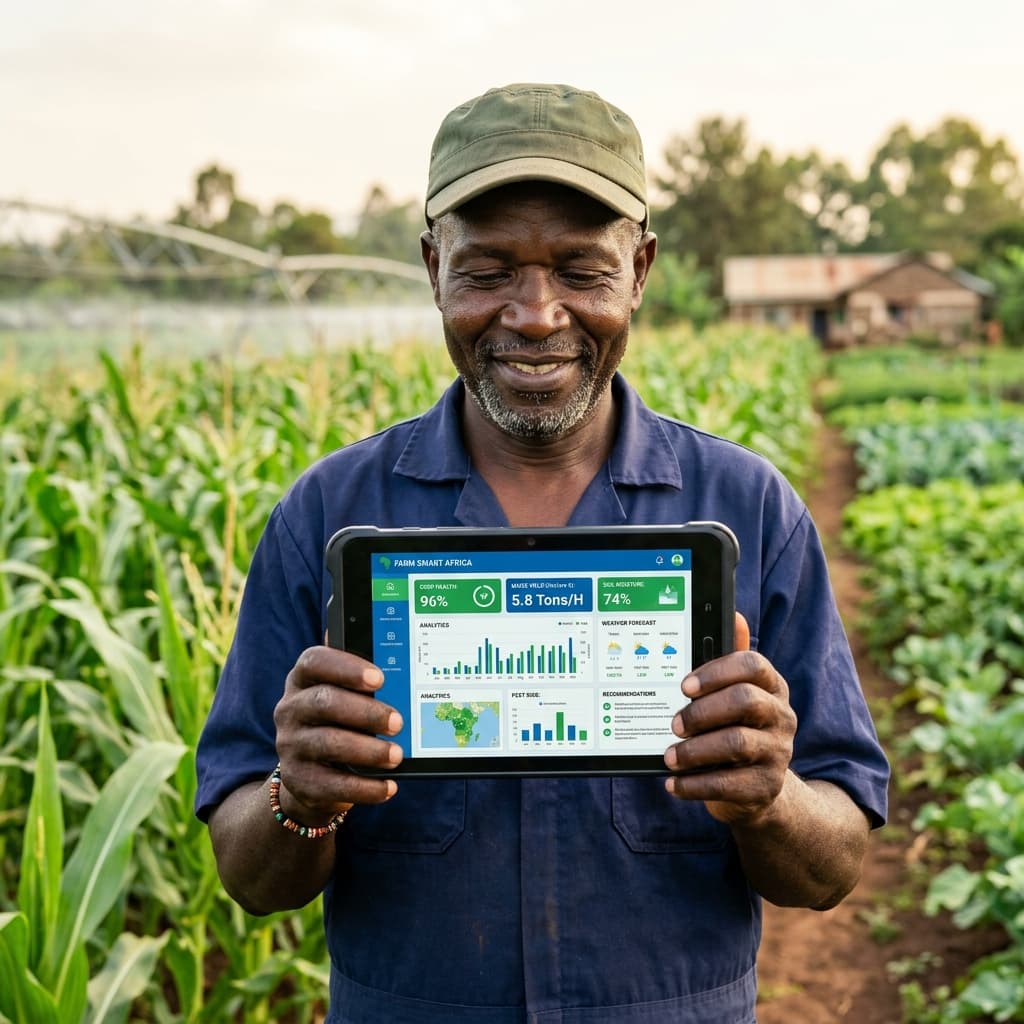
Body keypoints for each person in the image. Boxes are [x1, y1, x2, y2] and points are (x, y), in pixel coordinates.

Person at [195, 83, 889, 1023]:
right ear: (433, 266)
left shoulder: (749, 509)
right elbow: (249, 871)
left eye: (579, 270)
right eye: (487, 271)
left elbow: (834, 862)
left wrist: (768, 799)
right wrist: (300, 798)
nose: (534, 314)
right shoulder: (327, 515)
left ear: (639, 271)